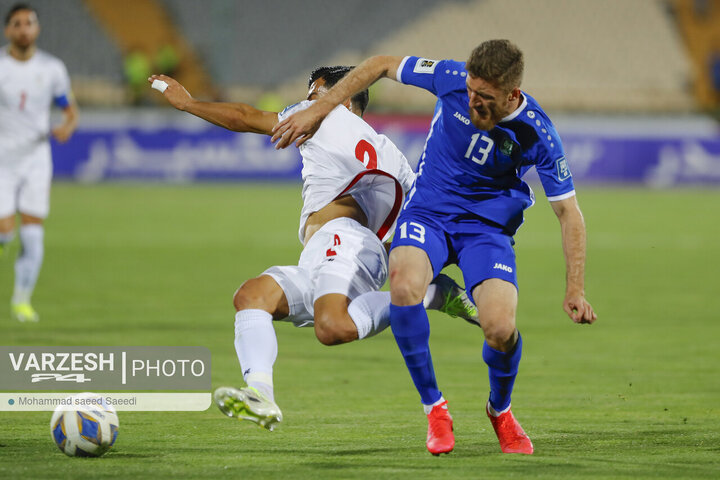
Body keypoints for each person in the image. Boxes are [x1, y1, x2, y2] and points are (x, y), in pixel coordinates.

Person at [272, 39, 597, 455]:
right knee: (405, 286)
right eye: (471, 92)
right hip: (429, 213)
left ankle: (500, 410)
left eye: (486, 98)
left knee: (499, 329)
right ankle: (435, 409)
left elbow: (569, 214)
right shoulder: (449, 77)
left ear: (513, 94)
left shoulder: (538, 133)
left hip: (486, 230)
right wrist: (319, 108)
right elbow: (380, 64)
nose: (473, 102)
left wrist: (575, 289)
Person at [148, 66, 478, 431]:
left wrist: (189, 104)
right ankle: (260, 394)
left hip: (347, 242)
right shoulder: (393, 157)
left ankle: (433, 295)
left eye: (315, 93)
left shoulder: (326, 114)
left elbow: (244, 116)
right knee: (252, 296)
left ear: (345, 98)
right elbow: (413, 223)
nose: (307, 102)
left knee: (331, 327)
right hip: (331, 252)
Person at [0, 3, 78, 322]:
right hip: (2, 159)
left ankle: (21, 300)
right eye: (17, 24)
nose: (24, 29)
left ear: (37, 29)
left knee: (33, 235)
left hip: (36, 159)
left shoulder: (52, 69)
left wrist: (66, 126)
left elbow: (69, 109)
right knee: (5, 233)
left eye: (29, 23)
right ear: (8, 31)